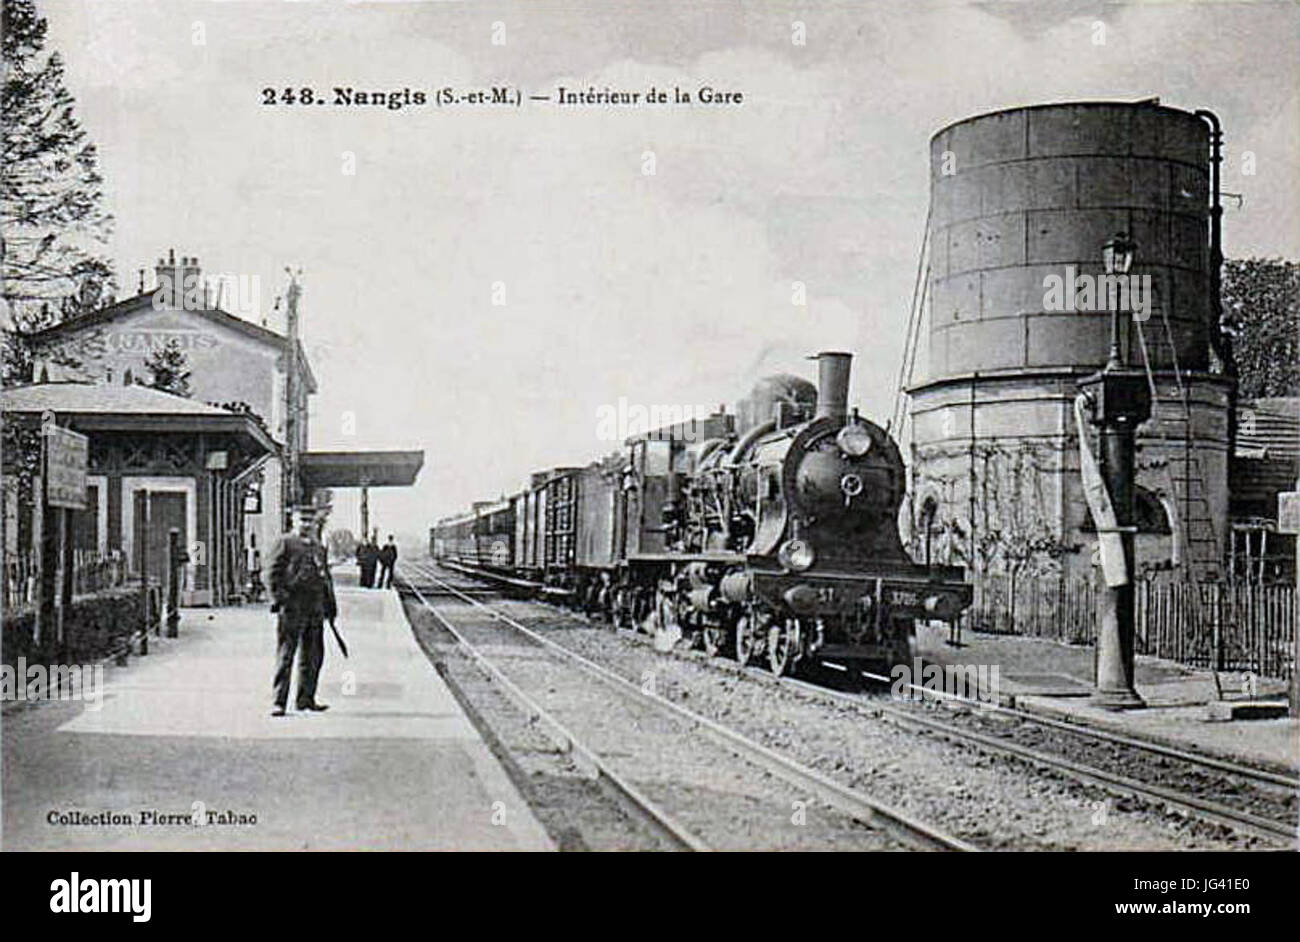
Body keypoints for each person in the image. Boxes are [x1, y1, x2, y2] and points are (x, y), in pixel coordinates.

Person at [267, 505, 337, 716]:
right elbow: (272, 573)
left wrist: (330, 606)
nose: (306, 525)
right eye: (302, 520)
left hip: (314, 608)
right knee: (286, 655)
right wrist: (280, 599)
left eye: (310, 521)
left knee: (313, 656)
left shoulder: (317, 547)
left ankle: (306, 699)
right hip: (292, 608)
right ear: (293, 521)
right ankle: (279, 702)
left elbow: (325, 578)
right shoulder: (285, 543)